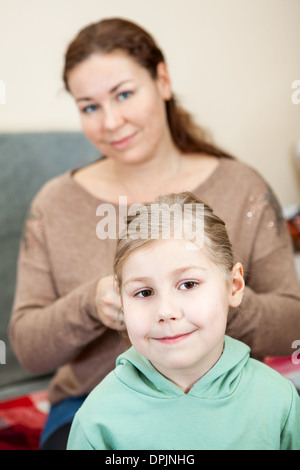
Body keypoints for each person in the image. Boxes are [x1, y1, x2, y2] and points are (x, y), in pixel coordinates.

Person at [9, 18, 300, 449]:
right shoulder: (53, 204)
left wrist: (206, 295)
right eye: (89, 106)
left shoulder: (243, 187)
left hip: (225, 397)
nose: (110, 121)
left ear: (162, 81)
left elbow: (292, 322)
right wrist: (91, 304)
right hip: (89, 402)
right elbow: (27, 347)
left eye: (124, 94)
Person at [67, 192, 300, 450]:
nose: (166, 311)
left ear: (234, 286)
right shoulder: (97, 421)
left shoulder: (279, 400)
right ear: (123, 303)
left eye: (188, 284)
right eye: (144, 292)